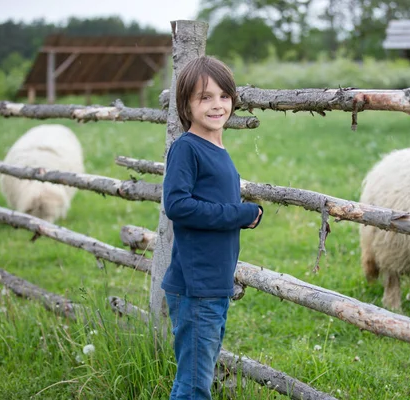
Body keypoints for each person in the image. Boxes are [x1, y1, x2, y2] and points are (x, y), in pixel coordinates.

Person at [161, 56, 263, 399]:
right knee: (193, 386)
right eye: (204, 97)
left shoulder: (216, 146)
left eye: (223, 95)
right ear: (186, 105)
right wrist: (238, 214)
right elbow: (177, 205)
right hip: (196, 286)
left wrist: (240, 216)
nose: (217, 104)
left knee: (195, 378)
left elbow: (210, 204)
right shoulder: (187, 148)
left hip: (213, 282)